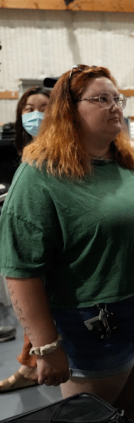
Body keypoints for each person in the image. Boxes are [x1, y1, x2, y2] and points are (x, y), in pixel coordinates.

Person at [0, 65, 134, 423]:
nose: (115, 106)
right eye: (101, 99)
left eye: (117, 98)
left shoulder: (133, 162)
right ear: (68, 110)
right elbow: (21, 270)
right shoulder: (41, 174)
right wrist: (46, 347)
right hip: (93, 320)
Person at [1, 86, 51, 393]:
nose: (34, 115)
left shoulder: (55, 153)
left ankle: (30, 366)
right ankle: (28, 365)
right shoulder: (29, 151)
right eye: (28, 109)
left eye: (42, 108)